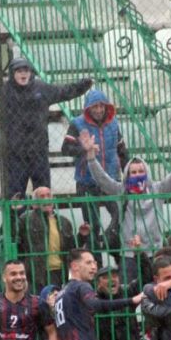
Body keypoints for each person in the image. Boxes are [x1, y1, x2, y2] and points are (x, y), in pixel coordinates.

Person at [0, 59, 92, 197]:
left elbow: (66, 91)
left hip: (39, 153)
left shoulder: (42, 89)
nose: (23, 74)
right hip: (14, 155)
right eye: (19, 71)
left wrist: (85, 84)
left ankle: (44, 220)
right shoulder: (4, 91)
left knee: (43, 195)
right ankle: (15, 220)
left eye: (26, 70)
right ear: (12, 73)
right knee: (15, 198)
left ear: (31, 73)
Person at [81, 127, 171, 284]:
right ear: (127, 175)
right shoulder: (121, 191)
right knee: (129, 291)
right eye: (133, 172)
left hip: (155, 252)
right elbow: (102, 179)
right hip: (129, 254)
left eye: (141, 171)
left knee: (157, 289)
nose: (138, 175)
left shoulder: (157, 189)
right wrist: (91, 156)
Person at [62, 89, 127, 250]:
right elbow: (65, 149)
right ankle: (95, 263)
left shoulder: (114, 123)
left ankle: (107, 240)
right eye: (94, 107)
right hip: (86, 181)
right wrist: (84, 149)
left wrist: (128, 173)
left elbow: (122, 150)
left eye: (101, 106)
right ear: (88, 108)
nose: (98, 110)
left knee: (121, 213)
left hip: (110, 179)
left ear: (106, 107)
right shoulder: (77, 123)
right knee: (92, 225)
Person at [17, 186, 90, 291]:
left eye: (49, 195)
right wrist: (12, 213)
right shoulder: (26, 219)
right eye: (42, 196)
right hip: (37, 272)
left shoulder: (64, 222)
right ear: (34, 204)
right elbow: (14, 235)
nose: (47, 199)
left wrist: (81, 236)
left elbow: (71, 248)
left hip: (60, 271)